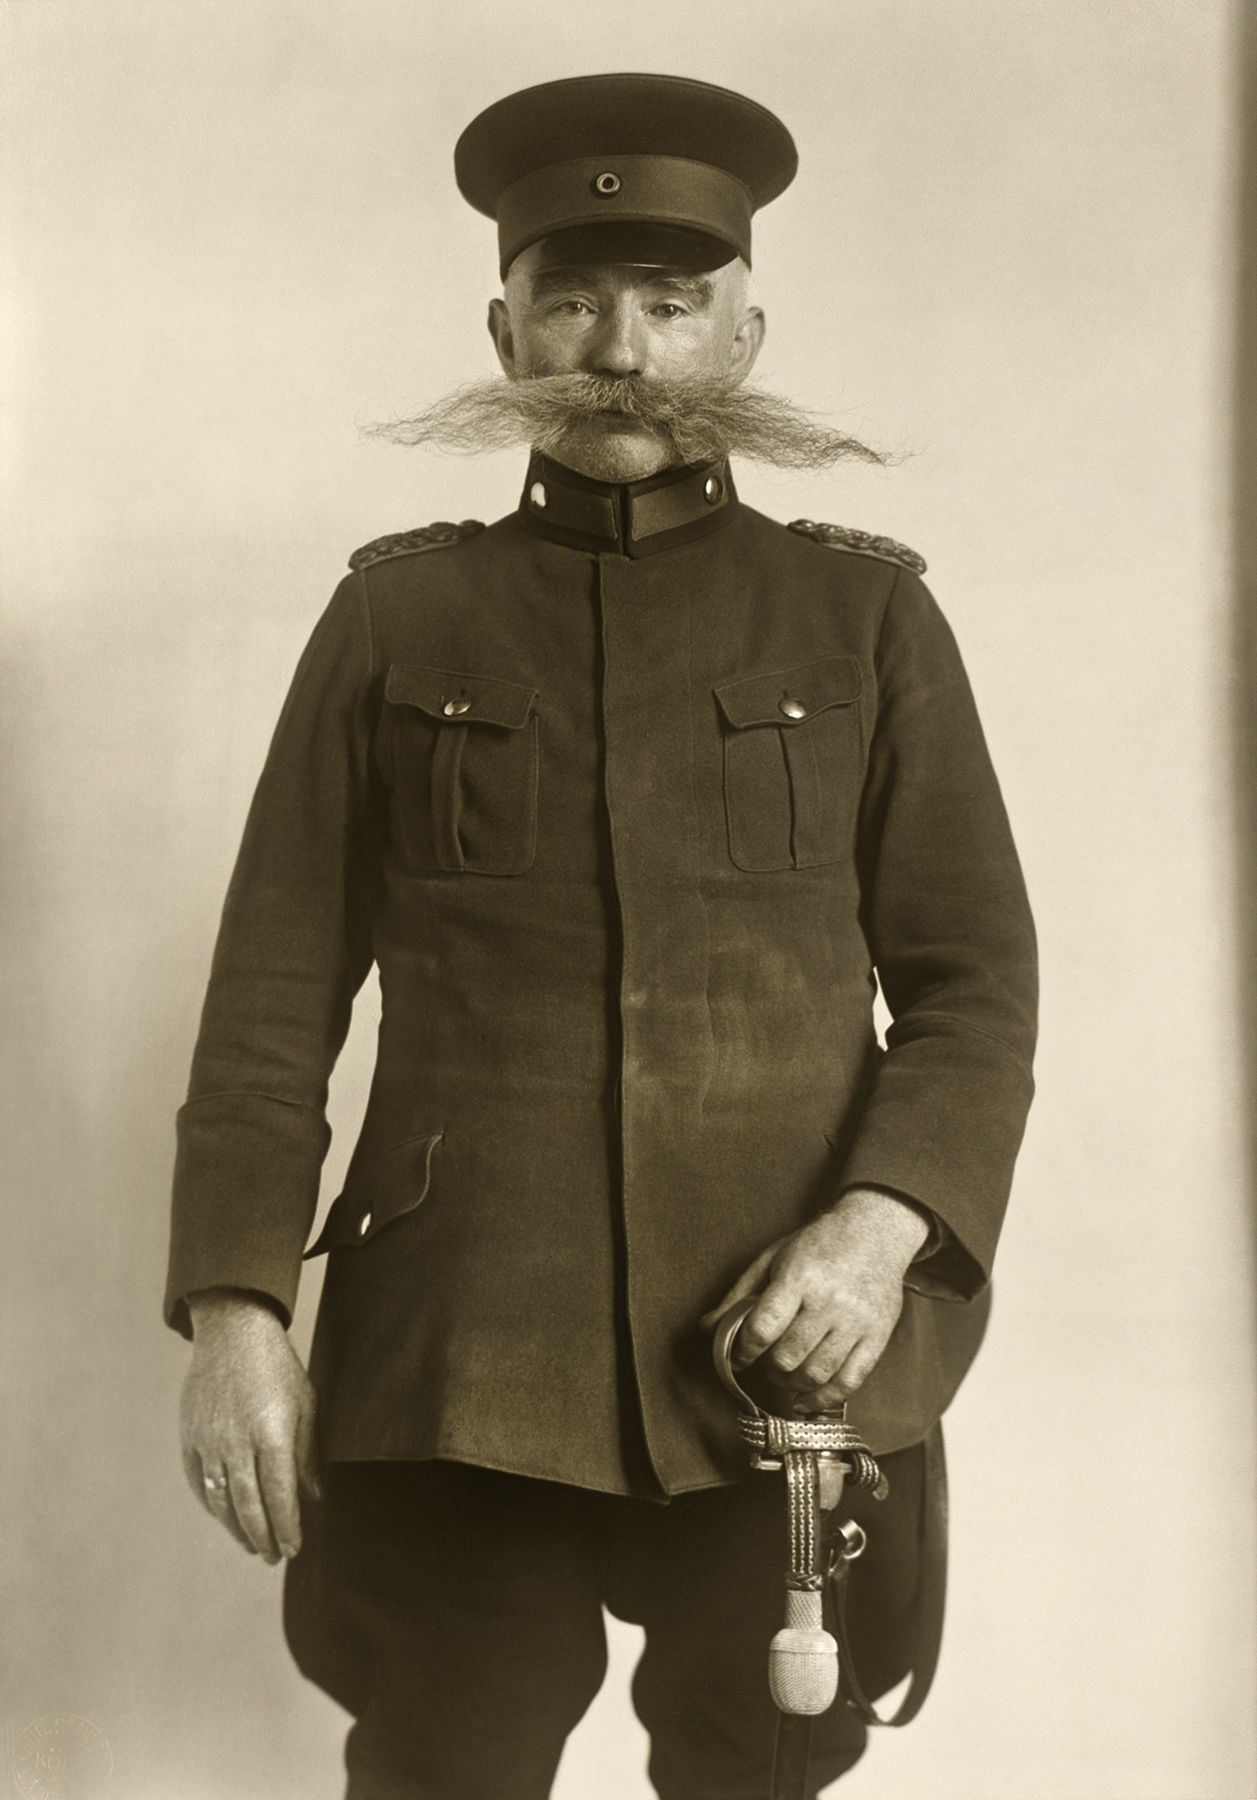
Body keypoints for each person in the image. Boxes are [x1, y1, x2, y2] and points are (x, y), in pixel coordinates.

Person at [165, 73, 1038, 1800]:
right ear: (503, 327)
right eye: (571, 297)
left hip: (783, 1350)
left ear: (743, 324)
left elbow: (971, 986)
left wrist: (878, 1231)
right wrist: (234, 1310)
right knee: (445, 1770)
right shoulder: (396, 614)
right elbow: (271, 997)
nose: (619, 350)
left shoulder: (863, 616)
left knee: (757, 1772)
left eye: (669, 300)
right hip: (462, 1346)